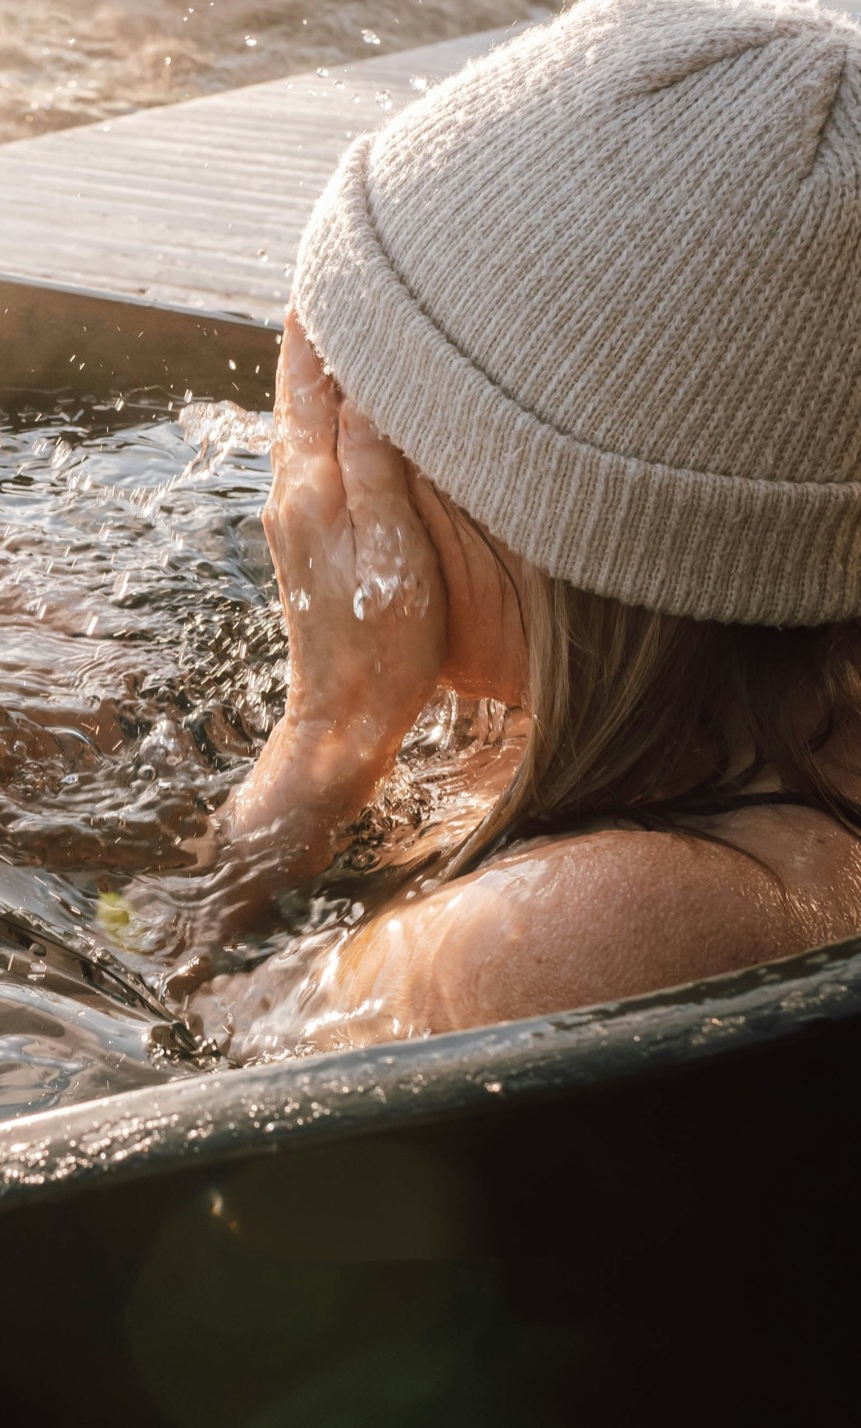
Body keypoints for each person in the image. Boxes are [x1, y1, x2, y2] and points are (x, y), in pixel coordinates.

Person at [151, 0, 861, 1052]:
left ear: (550, 517)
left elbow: (169, 1043)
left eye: (365, 411)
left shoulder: (584, 928)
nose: (317, 468)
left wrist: (321, 741)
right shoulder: (753, 753)